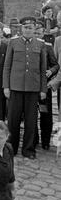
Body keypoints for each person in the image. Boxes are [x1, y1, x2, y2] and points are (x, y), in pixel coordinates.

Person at [3, 16, 47, 159]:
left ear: (35, 29)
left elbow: (42, 69)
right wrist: (6, 86)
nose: (28, 30)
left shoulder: (40, 44)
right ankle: (11, 148)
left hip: (33, 89)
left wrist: (43, 89)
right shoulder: (13, 43)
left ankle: (28, 149)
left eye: (31, 28)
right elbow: (7, 66)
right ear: (21, 28)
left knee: (31, 121)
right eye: (26, 27)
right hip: (15, 88)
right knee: (13, 120)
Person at [33, 21, 59, 150]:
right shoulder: (28, 45)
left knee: (45, 114)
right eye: (35, 32)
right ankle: (34, 139)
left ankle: (45, 140)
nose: (37, 35)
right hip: (31, 87)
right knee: (31, 114)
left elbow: (56, 65)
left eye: (39, 33)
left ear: (43, 33)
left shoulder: (47, 46)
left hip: (44, 87)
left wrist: (51, 71)